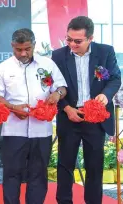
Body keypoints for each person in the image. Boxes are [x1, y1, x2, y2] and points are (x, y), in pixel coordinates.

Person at [0, 28, 68, 204]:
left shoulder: (47, 65)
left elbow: (62, 87)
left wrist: (57, 94)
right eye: (18, 50)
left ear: (34, 45)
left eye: (27, 49)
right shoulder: (3, 68)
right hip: (14, 131)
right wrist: (12, 107)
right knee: (11, 174)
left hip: (42, 131)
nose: (23, 53)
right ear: (12, 46)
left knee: (38, 175)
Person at [52, 16, 121, 204]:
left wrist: (106, 95)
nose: (72, 44)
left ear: (90, 38)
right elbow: (53, 87)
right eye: (69, 39)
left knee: (94, 167)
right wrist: (66, 108)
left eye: (77, 41)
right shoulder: (58, 56)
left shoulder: (105, 52)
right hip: (69, 117)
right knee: (65, 165)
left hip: (95, 118)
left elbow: (115, 78)